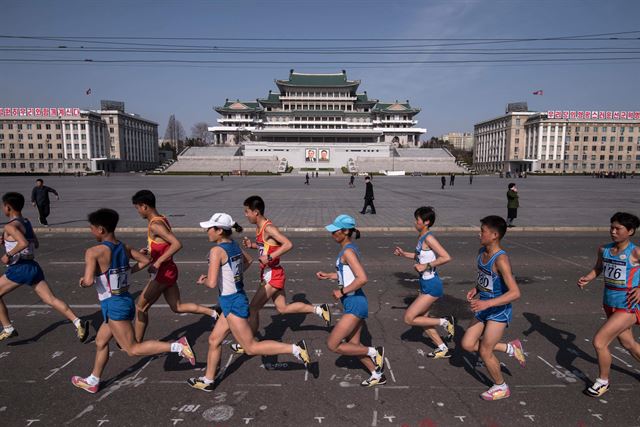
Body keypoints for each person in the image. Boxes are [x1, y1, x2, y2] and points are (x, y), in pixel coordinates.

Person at [71, 208, 196, 393]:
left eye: (92, 228)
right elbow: (145, 261)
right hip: (123, 301)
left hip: (114, 305)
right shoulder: (124, 247)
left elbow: (89, 281)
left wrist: (83, 282)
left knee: (132, 349)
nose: (91, 231)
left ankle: (178, 346)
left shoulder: (93, 252)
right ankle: (93, 380)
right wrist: (127, 271)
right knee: (100, 341)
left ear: (100, 229)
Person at [187, 213, 310, 392]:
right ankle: (208, 380)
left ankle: (296, 349)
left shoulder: (216, 251)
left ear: (219, 230)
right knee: (214, 340)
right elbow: (249, 260)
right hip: (234, 299)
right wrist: (231, 276)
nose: (207, 231)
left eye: (210, 228)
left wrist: (204, 280)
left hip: (232, 303)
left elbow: (212, 283)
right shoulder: (233, 245)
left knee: (251, 347)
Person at [230, 196, 331, 354]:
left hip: (273, 274)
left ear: (256, 212)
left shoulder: (269, 228)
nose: (245, 215)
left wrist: (270, 257)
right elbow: (267, 246)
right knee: (283, 308)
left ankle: (248, 342)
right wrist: (252, 245)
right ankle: (319, 310)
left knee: (253, 308)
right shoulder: (259, 227)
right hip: (271, 273)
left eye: (247, 211)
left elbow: (288, 244)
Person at [131, 190, 219, 342]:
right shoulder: (161, 219)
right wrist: (150, 250)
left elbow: (177, 244)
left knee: (140, 307)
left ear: (144, 206)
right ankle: (213, 313)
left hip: (163, 272)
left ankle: (136, 343)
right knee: (177, 306)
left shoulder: (155, 225)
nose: (137, 211)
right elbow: (164, 244)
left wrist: (157, 261)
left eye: (137, 208)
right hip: (169, 270)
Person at [0, 192, 88, 343]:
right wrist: (8, 241)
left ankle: (8, 328)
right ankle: (77, 322)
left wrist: (8, 253)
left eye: (3, 206)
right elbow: (35, 243)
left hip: (20, 268)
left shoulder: (10, 225)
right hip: (33, 266)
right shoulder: (26, 222)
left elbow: (24, 243)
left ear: (8, 207)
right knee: (50, 299)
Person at [461, 215, 526, 401]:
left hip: (498, 310)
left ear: (495, 235)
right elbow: (487, 278)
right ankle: (510, 348)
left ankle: (501, 386)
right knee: (467, 344)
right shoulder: (482, 251)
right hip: (484, 306)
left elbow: (515, 293)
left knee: (484, 351)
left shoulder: (501, 259)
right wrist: (477, 289)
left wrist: (487, 302)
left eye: (483, 231)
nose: (479, 234)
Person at [317, 214, 385, 386]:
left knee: (333, 345)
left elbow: (362, 278)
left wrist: (342, 291)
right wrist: (329, 276)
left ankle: (374, 351)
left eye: (335, 231)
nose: (332, 234)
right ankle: (377, 375)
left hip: (355, 303)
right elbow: (347, 275)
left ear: (345, 231)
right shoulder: (348, 248)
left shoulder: (348, 251)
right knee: (354, 345)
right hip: (354, 302)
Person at [577, 212, 640, 397]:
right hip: (609, 303)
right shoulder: (604, 249)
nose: (613, 231)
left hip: (628, 305)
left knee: (599, 341)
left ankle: (603, 381)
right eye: (611, 227)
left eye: (618, 228)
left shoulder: (635, 252)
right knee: (628, 343)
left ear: (630, 231)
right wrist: (587, 278)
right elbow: (598, 268)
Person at [393, 207, 455, 358]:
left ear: (426, 222)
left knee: (409, 318)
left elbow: (446, 257)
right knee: (423, 319)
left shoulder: (429, 238)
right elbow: (418, 256)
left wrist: (426, 266)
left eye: (418, 220)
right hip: (425, 284)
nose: (415, 222)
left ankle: (445, 322)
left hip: (432, 285)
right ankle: (442, 348)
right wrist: (403, 254)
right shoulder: (422, 237)